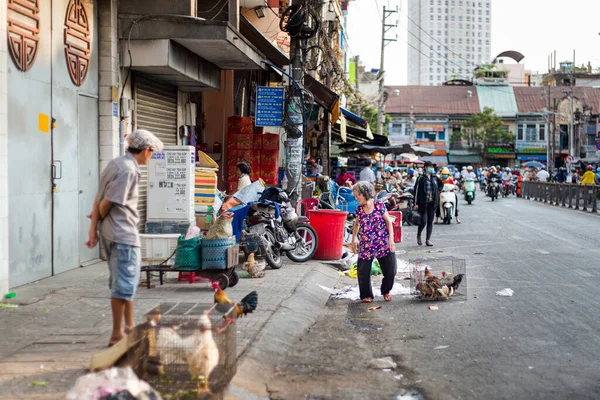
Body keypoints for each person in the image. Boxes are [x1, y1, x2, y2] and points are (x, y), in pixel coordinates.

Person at [86, 129, 164, 347]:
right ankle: (116, 334)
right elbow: (105, 202)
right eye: (152, 153)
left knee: (125, 282)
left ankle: (129, 327)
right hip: (122, 234)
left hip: (113, 232)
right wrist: (95, 224)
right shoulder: (129, 170)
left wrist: (93, 229)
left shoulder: (116, 163)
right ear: (146, 150)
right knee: (123, 285)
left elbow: (98, 197)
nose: (152, 156)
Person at [350, 181, 397, 303]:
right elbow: (356, 224)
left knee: (391, 270)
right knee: (363, 272)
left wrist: (391, 239)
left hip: (382, 243)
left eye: (357, 195)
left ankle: (386, 290)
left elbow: (388, 222)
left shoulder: (379, 205)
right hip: (366, 244)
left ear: (364, 193)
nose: (356, 198)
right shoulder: (359, 209)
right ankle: (367, 295)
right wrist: (353, 239)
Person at [413, 161, 439, 246]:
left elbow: (440, 185)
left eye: (432, 166)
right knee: (423, 221)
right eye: (430, 166)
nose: (432, 168)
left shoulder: (434, 177)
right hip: (423, 203)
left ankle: (428, 240)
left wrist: (437, 192)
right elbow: (416, 191)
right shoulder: (421, 178)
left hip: (432, 203)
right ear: (426, 167)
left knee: (430, 222)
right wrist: (415, 203)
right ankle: (419, 234)